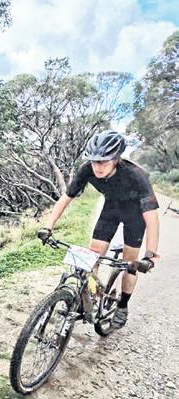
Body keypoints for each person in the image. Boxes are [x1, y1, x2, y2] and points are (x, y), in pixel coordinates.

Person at [37, 130, 160, 329]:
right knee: (92, 256)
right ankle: (91, 296)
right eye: (94, 161)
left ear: (116, 159)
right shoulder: (87, 169)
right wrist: (47, 226)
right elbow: (66, 198)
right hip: (110, 209)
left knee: (130, 264)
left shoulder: (136, 175)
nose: (97, 167)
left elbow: (152, 218)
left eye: (103, 162)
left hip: (135, 215)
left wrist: (150, 255)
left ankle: (122, 306)